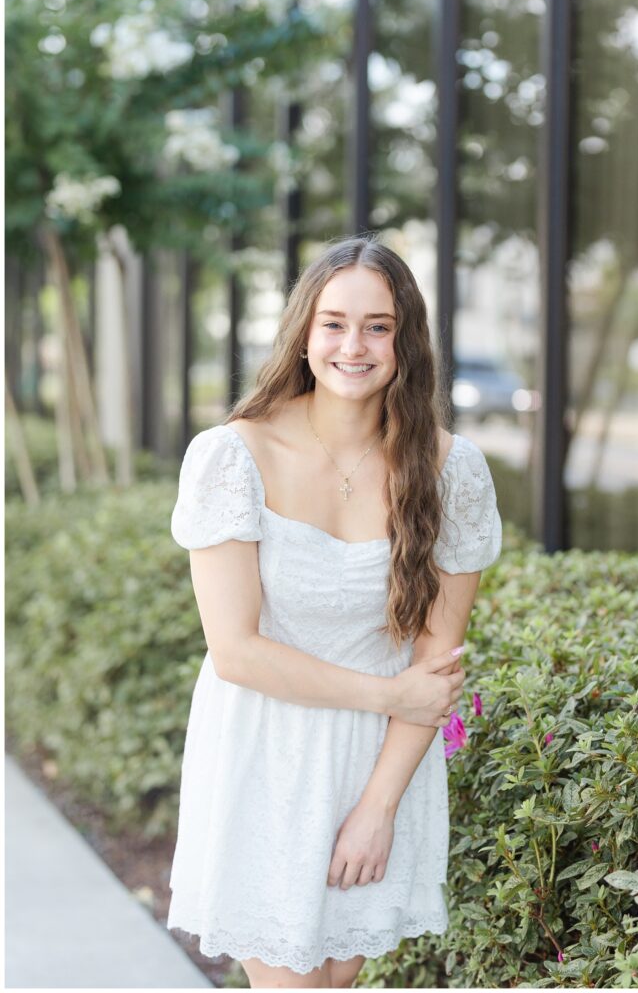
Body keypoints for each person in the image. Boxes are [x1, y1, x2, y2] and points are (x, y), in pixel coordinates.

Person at [165, 235, 502, 989]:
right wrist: (388, 694)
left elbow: (436, 661)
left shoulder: (453, 471)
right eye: (335, 323)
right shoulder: (232, 456)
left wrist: (378, 807)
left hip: (380, 763)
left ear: (406, 340)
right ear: (303, 334)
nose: (355, 345)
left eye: (378, 325)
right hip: (262, 749)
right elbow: (236, 651)